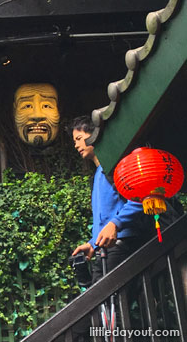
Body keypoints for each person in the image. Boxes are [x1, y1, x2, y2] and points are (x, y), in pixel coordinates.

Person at [70, 115, 145, 284]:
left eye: (79, 139)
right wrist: (91, 244)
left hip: (122, 245)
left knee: (105, 303)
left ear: (94, 135)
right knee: (102, 304)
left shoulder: (116, 166)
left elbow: (140, 198)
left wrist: (115, 223)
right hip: (105, 249)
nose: (76, 145)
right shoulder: (97, 174)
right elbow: (105, 218)